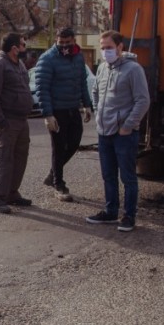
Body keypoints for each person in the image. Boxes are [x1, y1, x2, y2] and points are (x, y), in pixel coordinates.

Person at [86, 30, 150, 232]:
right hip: (104, 132)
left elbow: (143, 100)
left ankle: (129, 216)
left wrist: (128, 125)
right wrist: (98, 114)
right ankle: (110, 211)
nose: (106, 51)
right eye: (103, 48)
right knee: (108, 175)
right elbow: (95, 92)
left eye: (109, 48)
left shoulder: (133, 70)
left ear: (120, 47)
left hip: (124, 134)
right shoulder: (103, 68)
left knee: (128, 177)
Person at [34, 27, 94, 202]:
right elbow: (42, 88)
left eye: (68, 43)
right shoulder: (47, 59)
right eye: (61, 43)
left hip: (73, 108)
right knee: (58, 148)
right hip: (57, 111)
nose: (65, 46)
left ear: (74, 41)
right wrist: (48, 114)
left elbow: (82, 82)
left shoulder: (77, 56)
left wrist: (87, 105)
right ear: (56, 41)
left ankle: (53, 174)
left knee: (75, 142)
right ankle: (58, 184)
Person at [0, 32, 34, 214]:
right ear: (15, 48)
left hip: (21, 120)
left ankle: (12, 193)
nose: (24, 48)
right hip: (7, 121)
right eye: (23, 45)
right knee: (3, 159)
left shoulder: (19, 64)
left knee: (20, 158)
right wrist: (0, 121)